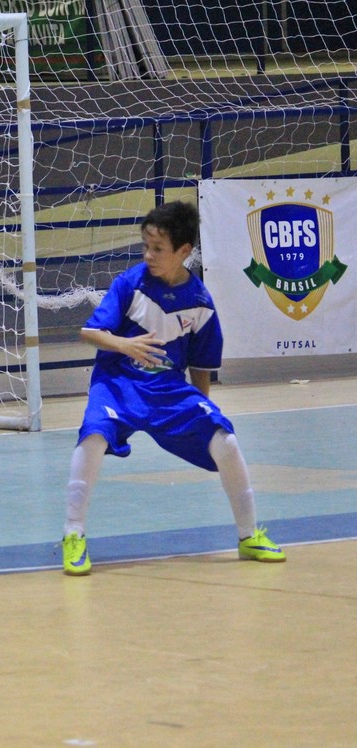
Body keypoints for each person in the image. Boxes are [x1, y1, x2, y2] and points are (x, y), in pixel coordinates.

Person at [59, 200, 286, 576]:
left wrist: (203, 412)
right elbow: (89, 332)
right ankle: (73, 534)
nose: (148, 254)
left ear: (184, 251)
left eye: (158, 249)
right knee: (93, 439)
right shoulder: (131, 283)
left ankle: (249, 536)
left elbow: (201, 366)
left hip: (168, 392)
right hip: (118, 384)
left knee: (225, 440)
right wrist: (125, 345)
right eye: (145, 246)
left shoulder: (199, 301)